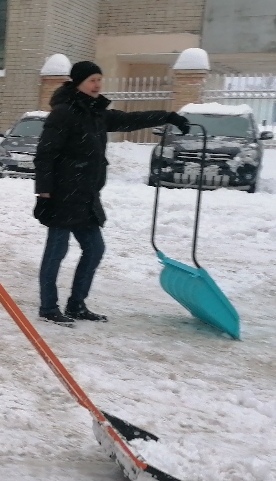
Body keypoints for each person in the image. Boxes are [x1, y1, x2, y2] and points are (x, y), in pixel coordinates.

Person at [33, 61, 190, 326]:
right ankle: (48, 307)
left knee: (94, 249)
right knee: (56, 252)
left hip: (86, 195)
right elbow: (45, 155)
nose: (98, 85)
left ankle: (76, 305)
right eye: (93, 80)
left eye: (99, 79)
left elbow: (130, 120)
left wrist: (168, 116)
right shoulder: (63, 113)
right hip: (62, 194)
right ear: (79, 82)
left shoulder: (96, 113)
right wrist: (44, 193)